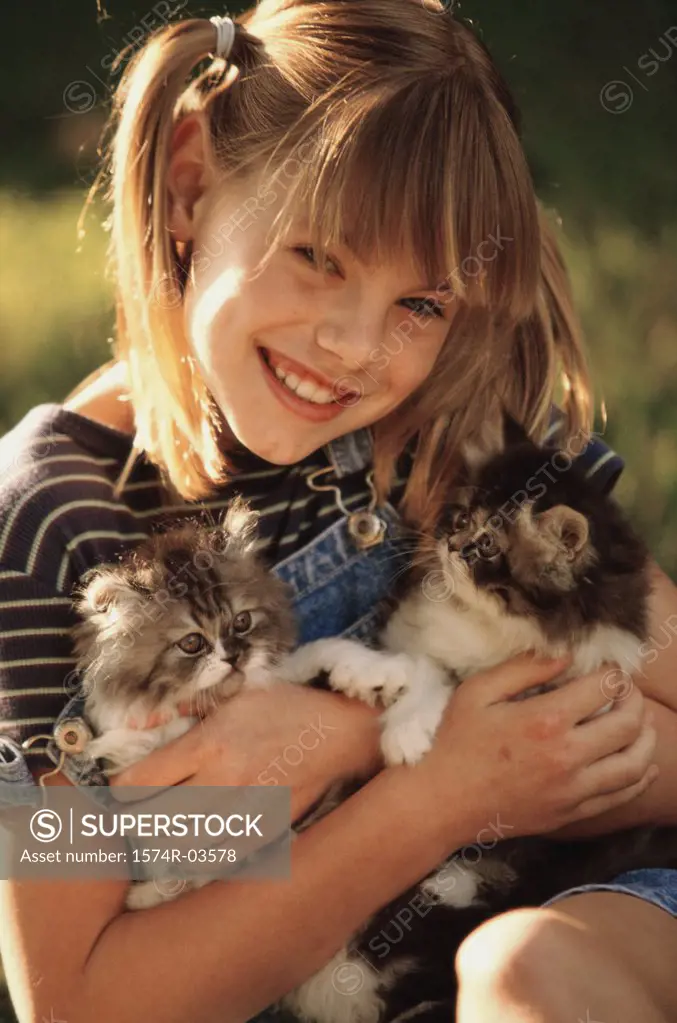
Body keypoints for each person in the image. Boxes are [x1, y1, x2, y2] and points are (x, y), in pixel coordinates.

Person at [0, 2, 675, 1021]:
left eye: (422, 304)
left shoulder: (449, 430)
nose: (358, 349)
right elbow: (85, 997)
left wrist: (347, 741)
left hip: (594, 902)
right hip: (347, 987)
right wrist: (428, 796)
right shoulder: (51, 528)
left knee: (527, 975)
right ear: (189, 183)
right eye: (319, 257)